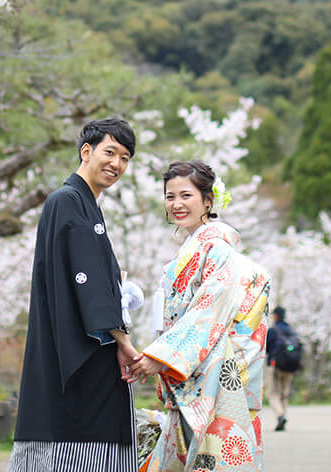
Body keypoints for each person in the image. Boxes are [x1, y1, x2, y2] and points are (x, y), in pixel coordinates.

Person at [8, 118, 141, 472]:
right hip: (82, 348)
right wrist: (124, 342)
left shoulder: (83, 204)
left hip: (79, 341)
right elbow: (88, 281)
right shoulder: (68, 200)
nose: (117, 164)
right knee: (82, 437)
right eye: (110, 152)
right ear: (86, 151)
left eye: (125, 158)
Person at [129, 161, 271, 472]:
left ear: (208, 200)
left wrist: (163, 357)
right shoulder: (190, 251)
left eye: (186, 195)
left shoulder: (218, 250)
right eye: (170, 197)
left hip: (214, 376)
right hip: (197, 371)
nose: (176, 204)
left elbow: (209, 312)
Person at [265, 306, 299, 431]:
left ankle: (280, 415)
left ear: (276, 316)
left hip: (275, 365)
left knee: (273, 393)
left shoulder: (273, 331)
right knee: (285, 393)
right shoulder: (291, 331)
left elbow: (265, 347)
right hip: (290, 367)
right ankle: (283, 415)